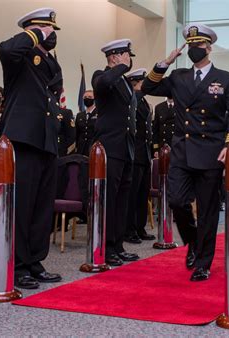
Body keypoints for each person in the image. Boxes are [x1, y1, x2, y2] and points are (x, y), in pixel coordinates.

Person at [142, 23, 229, 281]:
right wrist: (166, 61)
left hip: (210, 152)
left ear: (209, 47)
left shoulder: (227, 79)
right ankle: (194, 241)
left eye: (198, 45)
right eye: (191, 45)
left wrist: (228, 145)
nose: (194, 49)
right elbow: (148, 87)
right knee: (176, 201)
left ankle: (203, 262)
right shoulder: (179, 77)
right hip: (183, 150)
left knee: (208, 210)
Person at [0, 7, 63, 289]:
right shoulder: (19, 57)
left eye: (52, 30)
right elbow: (7, 48)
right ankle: (19, 263)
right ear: (32, 30)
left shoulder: (52, 63)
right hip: (23, 137)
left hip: (46, 140)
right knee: (22, 205)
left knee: (41, 206)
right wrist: (33, 34)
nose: (51, 34)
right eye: (45, 29)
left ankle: (35, 259)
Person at [92, 38, 139, 266]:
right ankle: (107, 246)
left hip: (126, 147)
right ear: (115, 56)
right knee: (109, 200)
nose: (129, 61)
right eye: (127, 56)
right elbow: (103, 84)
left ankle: (118, 245)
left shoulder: (125, 82)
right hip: (110, 147)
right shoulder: (101, 75)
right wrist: (119, 66)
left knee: (122, 200)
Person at [124, 68, 156, 244]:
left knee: (143, 194)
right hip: (135, 153)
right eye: (143, 82)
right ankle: (129, 230)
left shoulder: (143, 102)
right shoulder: (132, 101)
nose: (146, 85)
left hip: (145, 153)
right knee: (132, 194)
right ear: (136, 83)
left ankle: (139, 227)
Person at [75, 89, 97, 156]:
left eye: (90, 97)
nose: (87, 99)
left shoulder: (99, 113)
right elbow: (77, 133)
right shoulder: (79, 115)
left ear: (94, 99)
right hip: (81, 148)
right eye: (85, 97)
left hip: (93, 147)